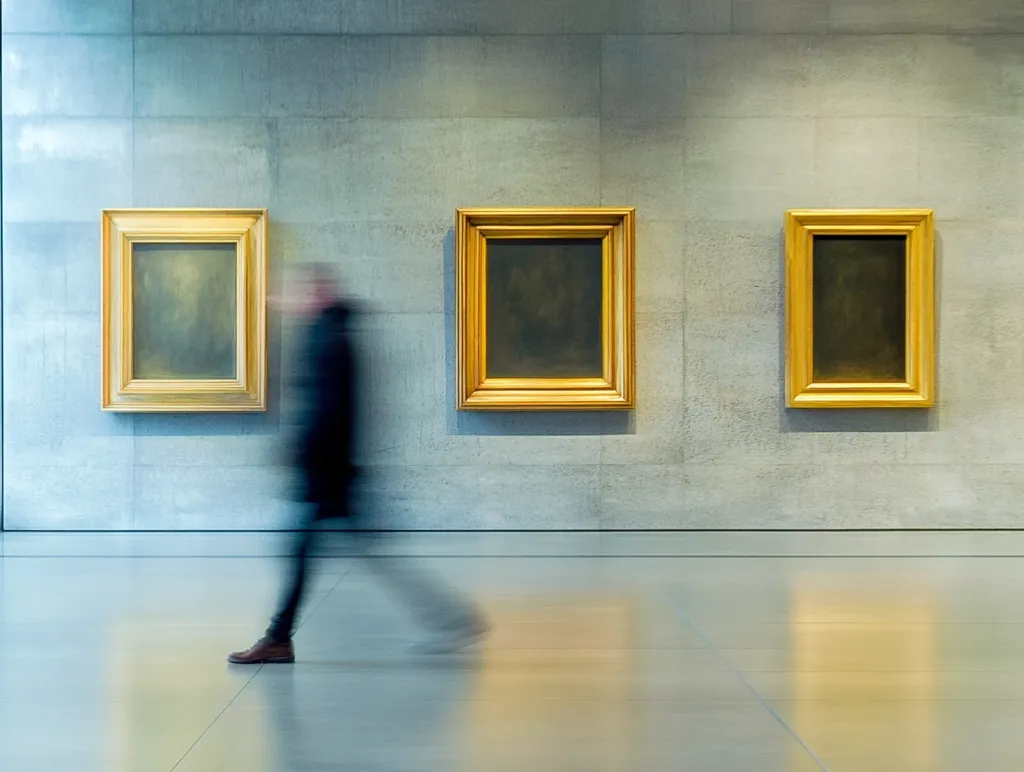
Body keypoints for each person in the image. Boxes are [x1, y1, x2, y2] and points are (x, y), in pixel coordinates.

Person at [228, 264, 487, 664]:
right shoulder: (332, 334)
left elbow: (327, 409)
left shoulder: (329, 339)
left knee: (312, 553)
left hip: (327, 474)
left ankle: (279, 638)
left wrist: (303, 453)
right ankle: (451, 619)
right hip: (332, 471)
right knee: (357, 554)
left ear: (319, 295)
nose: (291, 301)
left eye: (301, 293)